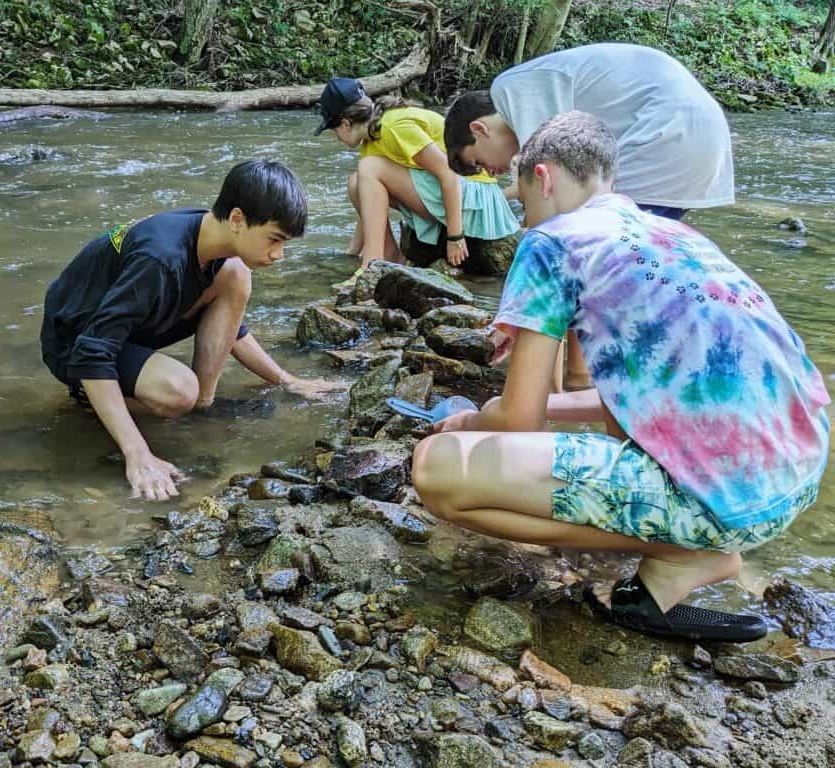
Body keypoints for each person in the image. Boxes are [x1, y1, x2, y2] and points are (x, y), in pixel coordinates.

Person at [412, 111, 830, 642]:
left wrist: (473, 421)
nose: (525, 221)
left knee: (436, 470)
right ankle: (675, 559)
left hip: (726, 505)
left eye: (523, 204)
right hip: (793, 479)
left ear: (542, 177)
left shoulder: (553, 242)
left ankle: (684, 553)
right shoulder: (675, 234)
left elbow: (519, 418)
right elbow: (647, 396)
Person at [40, 160, 340, 501]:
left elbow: (231, 329)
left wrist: (287, 381)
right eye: (275, 239)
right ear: (238, 219)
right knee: (178, 391)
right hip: (74, 342)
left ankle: (202, 405)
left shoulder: (212, 238)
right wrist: (137, 454)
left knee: (237, 274)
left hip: (124, 328)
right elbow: (93, 349)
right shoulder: (161, 258)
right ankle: (89, 400)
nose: (279, 254)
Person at [443, 43, 737, 389]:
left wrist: (515, 315)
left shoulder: (511, 89)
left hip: (664, 133)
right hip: (696, 135)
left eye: (478, 162)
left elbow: (553, 232)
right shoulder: (533, 104)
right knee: (608, 264)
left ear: (480, 129)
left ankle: (554, 388)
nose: (491, 172)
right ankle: (583, 378)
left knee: (568, 251)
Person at [315, 77, 519, 282]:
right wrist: (351, 252)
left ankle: (372, 266)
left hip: (475, 198)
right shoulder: (371, 139)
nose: (337, 138)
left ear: (345, 124)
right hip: (451, 197)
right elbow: (369, 203)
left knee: (368, 168)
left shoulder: (394, 126)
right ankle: (390, 256)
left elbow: (448, 173)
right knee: (355, 182)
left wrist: (455, 237)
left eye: (333, 131)